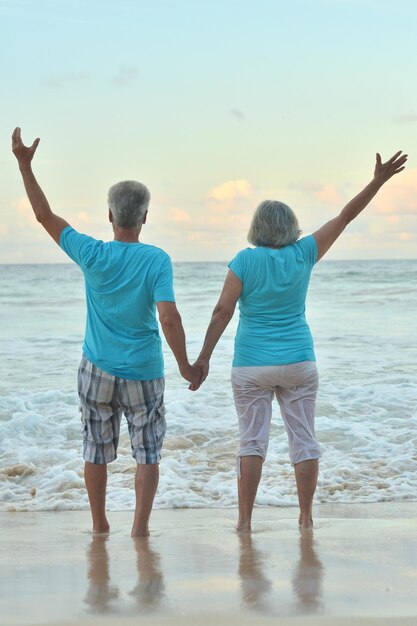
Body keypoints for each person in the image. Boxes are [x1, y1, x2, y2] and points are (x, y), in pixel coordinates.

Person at [193, 150, 407, 531]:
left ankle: (244, 521)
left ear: (256, 228)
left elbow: (221, 312)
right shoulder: (305, 252)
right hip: (298, 361)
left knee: (252, 441)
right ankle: (306, 518)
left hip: (251, 365)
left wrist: (203, 359)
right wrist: (377, 182)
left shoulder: (243, 260)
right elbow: (344, 217)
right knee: (303, 439)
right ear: (291, 227)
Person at [12, 127, 201, 537]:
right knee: (147, 452)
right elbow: (169, 319)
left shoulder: (92, 252)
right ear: (146, 217)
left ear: (110, 216)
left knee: (95, 450)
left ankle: (99, 525)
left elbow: (44, 216)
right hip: (144, 371)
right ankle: (139, 530)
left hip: (96, 369)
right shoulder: (156, 260)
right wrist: (187, 366)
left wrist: (24, 166)